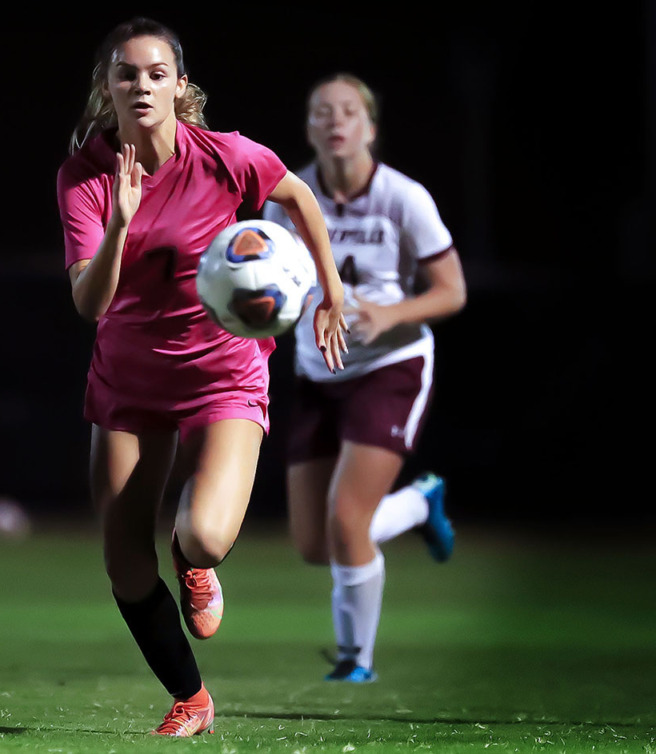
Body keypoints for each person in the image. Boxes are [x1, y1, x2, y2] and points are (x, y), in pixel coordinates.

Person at [56, 17, 348, 737]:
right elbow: (88, 304)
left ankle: (194, 562)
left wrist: (330, 291)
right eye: (127, 73)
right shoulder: (86, 175)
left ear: (179, 86)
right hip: (128, 383)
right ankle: (191, 699)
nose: (142, 85)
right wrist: (120, 225)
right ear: (108, 87)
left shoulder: (226, 156)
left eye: (158, 73)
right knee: (124, 562)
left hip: (224, 375)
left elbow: (299, 199)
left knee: (205, 536)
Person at [263, 73, 467, 683]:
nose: (334, 121)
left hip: (391, 364)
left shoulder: (404, 198)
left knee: (347, 522)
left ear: (370, 127)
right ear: (309, 128)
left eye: (348, 111)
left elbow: (453, 291)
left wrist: (389, 313)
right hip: (316, 369)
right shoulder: (288, 199)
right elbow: (274, 284)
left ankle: (357, 662)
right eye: (321, 111)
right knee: (313, 544)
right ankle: (418, 503)